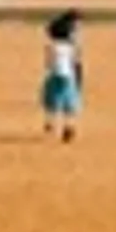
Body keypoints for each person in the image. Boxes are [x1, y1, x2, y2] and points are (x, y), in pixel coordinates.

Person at [41, 8, 83, 141]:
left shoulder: (51, 46)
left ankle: (50, 122)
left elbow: (48, 64)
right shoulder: (72, 46)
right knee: (69, 102)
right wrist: (78, 77)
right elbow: (76, 62)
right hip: (68, 76)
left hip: (54, 74)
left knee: (52, 100)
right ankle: (68, 126)